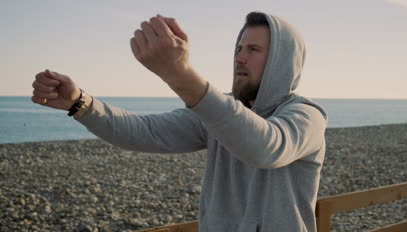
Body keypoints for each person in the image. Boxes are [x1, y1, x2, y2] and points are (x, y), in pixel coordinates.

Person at [31, 12, 327, 231]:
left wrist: (180, 74)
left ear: (281, 61)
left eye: (253, 50)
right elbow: (143, 132)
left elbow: (266, 147)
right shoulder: (217, 113)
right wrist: (80, 103)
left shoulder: (306, 116)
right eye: (238, 49)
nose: (239, 58)